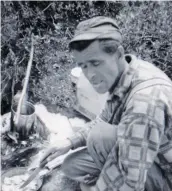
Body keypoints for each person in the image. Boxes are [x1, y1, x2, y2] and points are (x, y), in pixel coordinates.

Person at [39, 16, 172, 191]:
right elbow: (103, 120)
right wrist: (69, 142)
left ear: (118, 54)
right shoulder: (128, 72)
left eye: (95, 63)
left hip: (164, 173)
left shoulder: (144, 103)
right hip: (140, 153)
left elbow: (130, 183)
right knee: (73, 164)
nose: (90, 74)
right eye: (84, 66)